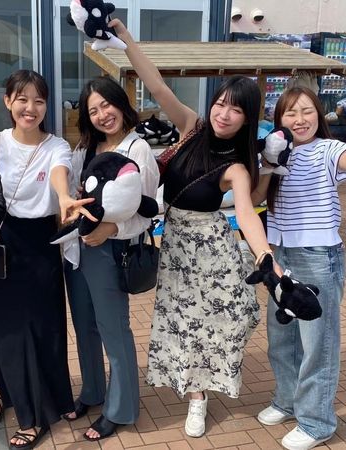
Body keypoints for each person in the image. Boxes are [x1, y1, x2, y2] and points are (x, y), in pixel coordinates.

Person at [109, 19, 280, 439]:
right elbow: (157, 86)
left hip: (214, 250)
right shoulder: (191, 128)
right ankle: (196, 397)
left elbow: (247, 214)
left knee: (227, 319)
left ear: (247, 119)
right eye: (220, 103)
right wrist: (127, 40)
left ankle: (205, 387)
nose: (224, 113)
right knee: (183, 323)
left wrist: (266, 259)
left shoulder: (238, 167)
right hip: (176, 246)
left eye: (236, 109)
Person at [0, 69, 88, 450]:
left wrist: (64, 197)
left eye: (39, 101)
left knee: (40, 327)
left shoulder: (57, 146)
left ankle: (33, 414)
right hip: (2, 240)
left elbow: (59, 174)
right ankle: (5, 390)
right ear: (8, 101)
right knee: (3, 327)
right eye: (22, 99)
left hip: (40, 245)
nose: (30, 108)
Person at [258, 87, 346, 450]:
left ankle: (316, 421)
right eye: (290, 113)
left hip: (318, 255)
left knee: (317, 343)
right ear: (279, 119)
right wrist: (269, 163)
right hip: (281, 255)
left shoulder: (327, 149)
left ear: (318, 115)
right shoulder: (275, 151)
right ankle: (287, 400)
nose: (299, 120)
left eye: (307, 111)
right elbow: (258, 197)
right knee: (282, 336)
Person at [60, 76, 160, 440]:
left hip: (111, 251)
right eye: (93, 110)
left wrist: (112, 229)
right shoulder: (85, 148)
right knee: (84, 325)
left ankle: (120, 408)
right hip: (78, 250)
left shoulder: (138, 150)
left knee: (113, 329)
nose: (103, 114)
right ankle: (92, 392)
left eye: (107, 104)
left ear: (121, 103)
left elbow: (149, 210)